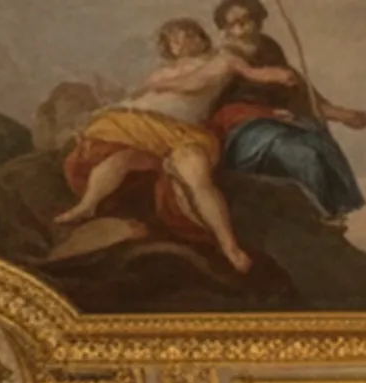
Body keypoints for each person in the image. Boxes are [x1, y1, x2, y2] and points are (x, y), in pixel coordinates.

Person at [54, 16, 301, 274]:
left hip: (184, 132)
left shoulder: (221, 60)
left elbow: (255, 74)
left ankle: (229, 245)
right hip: (140, 126)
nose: (180, 41)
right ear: (168, 46)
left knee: (196, 177)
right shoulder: (160, 73)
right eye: (173, 38)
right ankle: (87, 206)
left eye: (187, 35)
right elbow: (132, 99)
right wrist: (99, 115)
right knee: (121, 159)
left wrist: (282, 75)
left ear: (199, 38)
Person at [208, 0, 366, 222]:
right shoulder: (221, 56)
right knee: (302, 155)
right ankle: (317, 216)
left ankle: (334, 213)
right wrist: (263, 112)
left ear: (258, 21)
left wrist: (341, 114)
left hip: (275, 121)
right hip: (241, 130)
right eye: (232, 24)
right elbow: (208, 101)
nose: (240, 28)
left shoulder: (267, 47)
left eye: (246, 20)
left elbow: (298, 91)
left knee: (318, 140)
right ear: (224, 28)